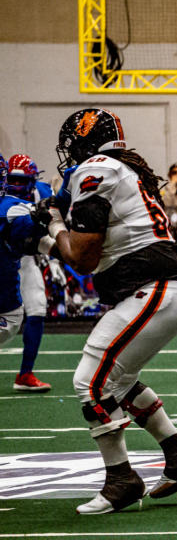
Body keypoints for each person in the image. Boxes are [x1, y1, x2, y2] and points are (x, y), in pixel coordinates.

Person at [40, 108, 177, 515]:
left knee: (91, 382)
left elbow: (80, 255)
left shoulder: (95, 168)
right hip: (167, 287)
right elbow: (83, 249)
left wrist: (52, 226)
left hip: (157, 287)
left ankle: (121, 479)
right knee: (119, 378)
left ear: (84, 141)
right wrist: (48, 232)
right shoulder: (119, 168)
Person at [5, 154, 53, 392]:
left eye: (21, 181)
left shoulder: (44, 193)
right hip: (6, 256)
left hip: (25, 257)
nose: (15, 186)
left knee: (37, 309)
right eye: (11, 180)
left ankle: (25, 374)